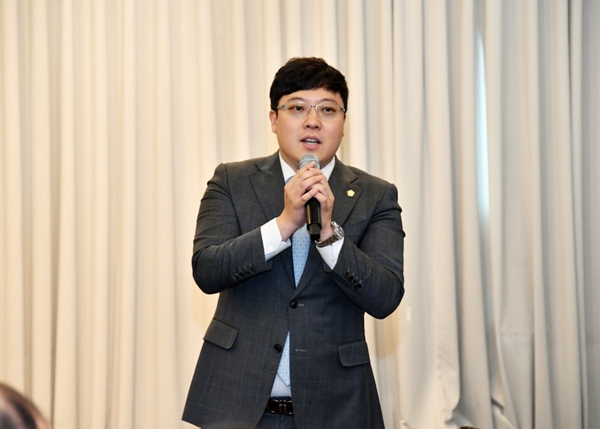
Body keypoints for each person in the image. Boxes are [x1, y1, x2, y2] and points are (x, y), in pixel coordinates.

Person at [183, 57, 405, 429]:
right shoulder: (232, 181)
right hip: (236, 405)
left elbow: (385, 297)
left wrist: (329, 235)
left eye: (328, 109)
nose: (312, 121)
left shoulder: (376, 195)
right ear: (274, 118)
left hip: (338, 408)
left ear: (344, 123)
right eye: (297, 107)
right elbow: (207, 270)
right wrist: (284, 224)